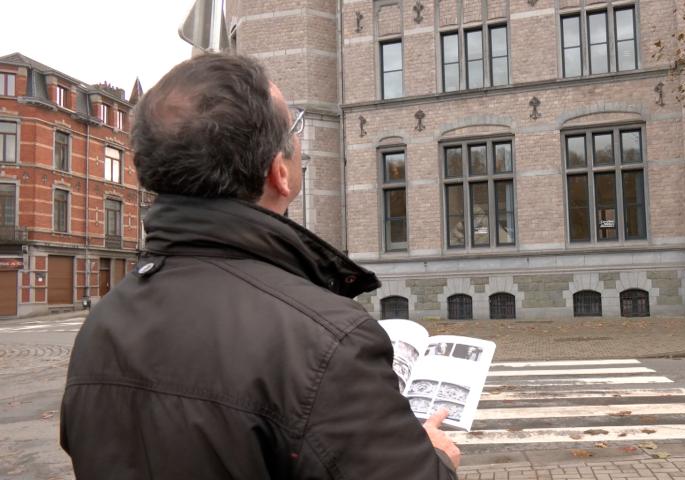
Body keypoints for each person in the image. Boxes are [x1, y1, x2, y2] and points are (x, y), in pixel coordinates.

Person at [60, 54, 460, 479]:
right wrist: (436, 459)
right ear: (279, 173)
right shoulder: (326, 342)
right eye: (294, 127)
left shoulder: (100, 327)